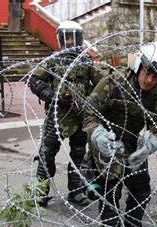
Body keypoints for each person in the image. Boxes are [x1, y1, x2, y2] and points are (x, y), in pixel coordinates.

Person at [82, 42, 157, 227]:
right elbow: (88, 112)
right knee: (110, 193)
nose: (149, 80)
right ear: (138, 66)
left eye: (156, 77)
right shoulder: (112, 84)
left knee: (141, 190)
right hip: (106, 143)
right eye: (148, 73)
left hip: (132, 146)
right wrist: (98, 135)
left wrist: (150, 144)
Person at [28, 21, 103, 207]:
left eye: (73, 37)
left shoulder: (86, 61)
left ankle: (76, 191)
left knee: (78, 154)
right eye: (66, 37)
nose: (70, 41)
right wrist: (51, 95)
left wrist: (90, 100)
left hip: (79, 117)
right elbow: (35, 80)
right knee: (46, 154)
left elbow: (102, 85)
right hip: (57, 115)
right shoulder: (52, 61)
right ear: (61, 39)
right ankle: (40, 192)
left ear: (79, 38)